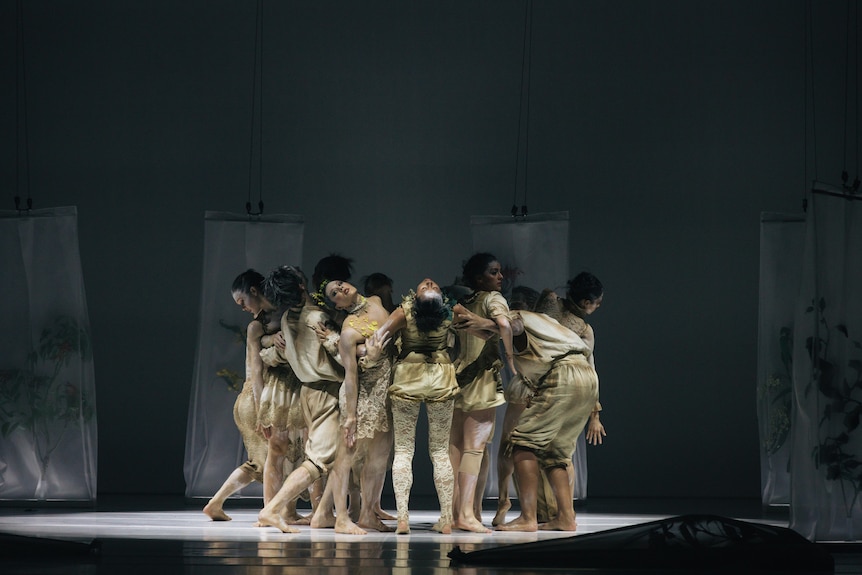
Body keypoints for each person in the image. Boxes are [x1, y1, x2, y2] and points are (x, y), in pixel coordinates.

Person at [457, 306, 601, 532]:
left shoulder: (517, 316)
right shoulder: (546, 322)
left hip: (562, 373)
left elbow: (509, 326)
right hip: (588, 379)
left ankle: (528, 517)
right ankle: (566, 517)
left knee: (523, 444)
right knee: (557, 454)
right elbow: (499, 331)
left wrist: (483, 322)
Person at [256, 266, 348, 534]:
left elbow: (283, 355)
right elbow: (340, 354)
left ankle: (327, 514)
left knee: (332, 457)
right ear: (300, 285)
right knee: (318, 460)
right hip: (325, 390)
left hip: (307, 391)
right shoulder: (318, 317)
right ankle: (273, 509)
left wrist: (267, 348)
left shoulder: (287, 319)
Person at [371, 278, 461, 534]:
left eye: (429, 287)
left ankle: (403, 518)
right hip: (441, 377)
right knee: (440, 452)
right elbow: (483, 327)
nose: (430, 282)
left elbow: (380, 336)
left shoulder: (405, 311)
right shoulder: (451, 310)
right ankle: (445, 519)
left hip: (408, 378)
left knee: (404, 451)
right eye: (428, 286)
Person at [311, 279, 393, 533]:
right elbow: (350, 376)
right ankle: (341, 518)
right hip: (362, 396)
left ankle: (368, 513)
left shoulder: (377, 301)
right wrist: (350, 417)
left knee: (378, 458)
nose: (341, 289)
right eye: (335, 293)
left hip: (384, 392)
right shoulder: (349, 331)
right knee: (346, 457)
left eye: (339, 285)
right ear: (337, 304)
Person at [449, 252, 517, 533]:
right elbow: (505, 325)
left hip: (457, 377)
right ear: (479, 278)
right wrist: (511, 360)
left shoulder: (463, 302)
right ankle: (465, 513)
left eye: (500, 272)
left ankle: (457, 513)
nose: (500, 277)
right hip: (481, 377)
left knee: (456, 448)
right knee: (474, 447)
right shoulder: (493, 299)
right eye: (494, 272)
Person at [204, 269, 276, 521]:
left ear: (254, 291)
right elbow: (256, 374)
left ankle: (217, 503)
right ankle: (271, 511)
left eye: (242, 302)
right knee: (265, 461)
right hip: (254, 399)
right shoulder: (257, 325)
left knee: (262, 461)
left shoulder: (269, 320)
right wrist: (262, 411)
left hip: (257, 398)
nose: (242, 307)